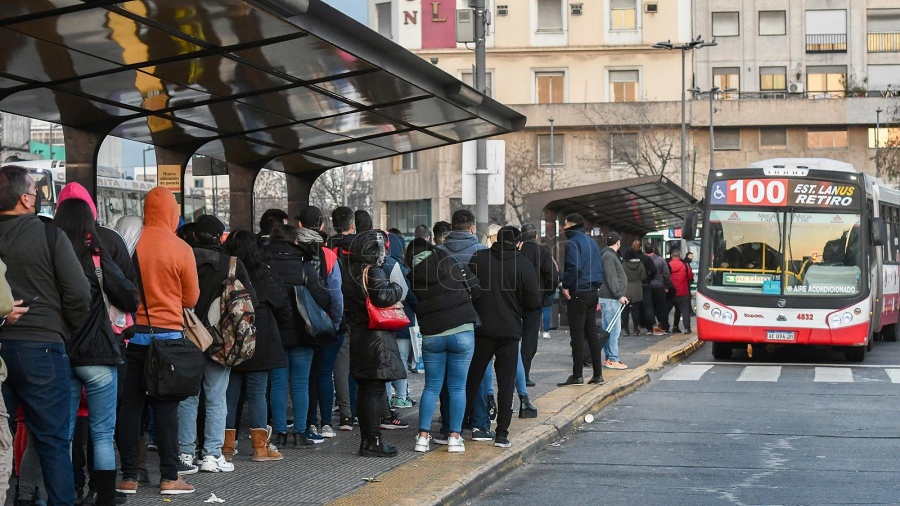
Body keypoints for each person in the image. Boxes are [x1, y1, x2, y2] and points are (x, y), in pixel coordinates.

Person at [0, 165, 91, 505]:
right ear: (24, 199)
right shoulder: (50, 235)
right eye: (35, 192)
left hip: (1, 348)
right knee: (52, 440)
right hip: (43, 348)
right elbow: (79, 294)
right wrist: (62, 327)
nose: (38, 197)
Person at [54, 190, 139, 506]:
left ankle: (65, 492)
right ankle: (104, 496)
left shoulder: (51, 254)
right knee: (102, 433)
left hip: (62, 353)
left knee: (64, 432)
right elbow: (130, 296)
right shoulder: (97, 255)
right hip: (99, 354)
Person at [116, 187, 199, 495]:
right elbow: (191, 297)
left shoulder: (129, 244)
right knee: (165, 410)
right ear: (172, 213)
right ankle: (169, 476)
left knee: (131, 407)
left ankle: (129, 476)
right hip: (169, 342)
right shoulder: (180, 249)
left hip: (133, 338)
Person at [466, 226, 540, 448]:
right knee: (506, 383)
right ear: (518, 243)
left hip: (482, 330)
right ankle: (502, 434)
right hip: (509, 331)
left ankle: (456, 428)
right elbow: (533, 302)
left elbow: (468, 288)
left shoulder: (479, 258)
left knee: (472, 379)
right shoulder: (524, 265)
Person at [407, 238, 479, 453]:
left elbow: (414, 304)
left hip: (432, 335)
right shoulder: (448, 262)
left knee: (431, 386)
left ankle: (422, 437)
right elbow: (477, 289)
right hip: (462, 331)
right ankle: (454, 438)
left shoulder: (412, 276)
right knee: (457, 387)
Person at [223, 230, 290, 462]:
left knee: (230, 394)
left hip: (231, 337)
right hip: (260, 336)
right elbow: (281, 302)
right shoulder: (263, 272)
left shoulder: (227, 272)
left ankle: (226, 448)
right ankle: (260, 448)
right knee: (257, 393)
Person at [266, 225, 333, 448]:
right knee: (300, 383)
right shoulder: (304, 268)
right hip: (303, 333)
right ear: (295, 242)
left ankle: (281, 433)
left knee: (277, 383)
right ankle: (301, 432)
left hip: (274, 333)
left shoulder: (264, 265)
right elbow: (324, 299)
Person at [343, 230, 405, 457]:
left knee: (366, 389)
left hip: (360, 333)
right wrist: (397, 288)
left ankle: (369, 440)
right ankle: (373, 441)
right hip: (376, 337)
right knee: (375, 390)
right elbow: (383, 296)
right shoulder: (373, 271)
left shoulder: (350, 271)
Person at [436, 209, 493, 441]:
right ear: (472, 229)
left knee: (447, 377)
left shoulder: (437, 253)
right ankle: (480, 425)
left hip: (443, 321)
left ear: (451, 228)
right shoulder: (482, 252)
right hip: (474, 321)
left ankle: (449, 424)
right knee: (476, 373)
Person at [297, 206, 344, 440]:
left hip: (298, 323)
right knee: (324, 374)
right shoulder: (328, 255)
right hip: (323, 321)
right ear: (322, 226)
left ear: (299, 225)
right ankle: (326, 422)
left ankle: (308, 423)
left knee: (304, 376)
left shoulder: (293, 250)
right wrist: (334, 324)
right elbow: (336, 295)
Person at [557, 213, 605, 387]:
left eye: (565, 223)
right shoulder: (592, 242)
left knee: (577, 334)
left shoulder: (572, 243)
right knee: (591, 333)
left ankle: (577, 374)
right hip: (593, 291)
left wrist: (566, 285)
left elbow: (574, 267)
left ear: (571, 225)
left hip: (578, 291)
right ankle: (597, 373)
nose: (563, 227)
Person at [326, 206, 358, 432]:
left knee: (340, 365)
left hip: (337, 311)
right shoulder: (360, 245)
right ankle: (357, 410)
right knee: (360, 363)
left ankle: (345, 413)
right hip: (359, 310)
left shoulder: (327, 247)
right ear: (352, 224)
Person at [518, 223, 558, 386]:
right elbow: (553, 277)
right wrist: (544, 294)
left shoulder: (516, 250)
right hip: (534, 302)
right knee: (529, 340)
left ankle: (511, 373)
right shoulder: (542, 251)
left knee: (511, 340)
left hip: (513, 302)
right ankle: (524, 376)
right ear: (535, 236)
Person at [599, 232, 628, 370]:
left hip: (611, 298)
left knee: (609, 329)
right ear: (618, 242)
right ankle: (612, 359)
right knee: (613, 330)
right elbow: (612, 277)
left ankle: (610, 358)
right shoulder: (609, 256)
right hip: (611, 299)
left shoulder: (608, 255)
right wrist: (619, 295)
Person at [645, 243, 671, 336]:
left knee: (648, 308)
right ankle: (664, 326)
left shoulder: (643, 260)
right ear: (653, 250)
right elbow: (666, 274)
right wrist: (666, 286)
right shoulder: (660, 260)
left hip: (647, 287)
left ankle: (650, 328)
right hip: (659, 286)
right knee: (661, 308)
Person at [621, 247, 647, 337]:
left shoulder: (623, 264)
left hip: (626, 288)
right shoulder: (639, 264)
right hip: (637, 288)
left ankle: (626, 331)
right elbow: (643, 276)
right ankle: (635, 330)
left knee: (625, 311)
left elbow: (620, 275)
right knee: (636, 310)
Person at [668, 249, 692, 334]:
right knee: (685, 311)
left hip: (671, 292)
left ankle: (665, 327)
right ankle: (687, 328)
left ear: (671, 256)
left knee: (666, 310)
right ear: (680, 256)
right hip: (683, 292)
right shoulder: (685, 266)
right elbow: (690, 277)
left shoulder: (668, 265)